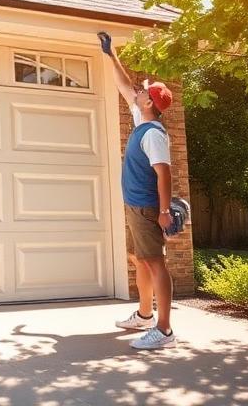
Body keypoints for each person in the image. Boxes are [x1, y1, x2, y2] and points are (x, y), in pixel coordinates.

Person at [97, 31, 176, 350]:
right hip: (136, 205)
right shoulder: (141, 120)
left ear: (151, 103)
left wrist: (164, 211)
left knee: (155, 263)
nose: (139, 91)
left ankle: (165, 330)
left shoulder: (154, 134)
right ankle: (145, 315)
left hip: (147, 207)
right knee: (143, 261)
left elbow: (165, 173)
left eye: (144, 92)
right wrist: (109, 53)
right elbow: (124, 86)